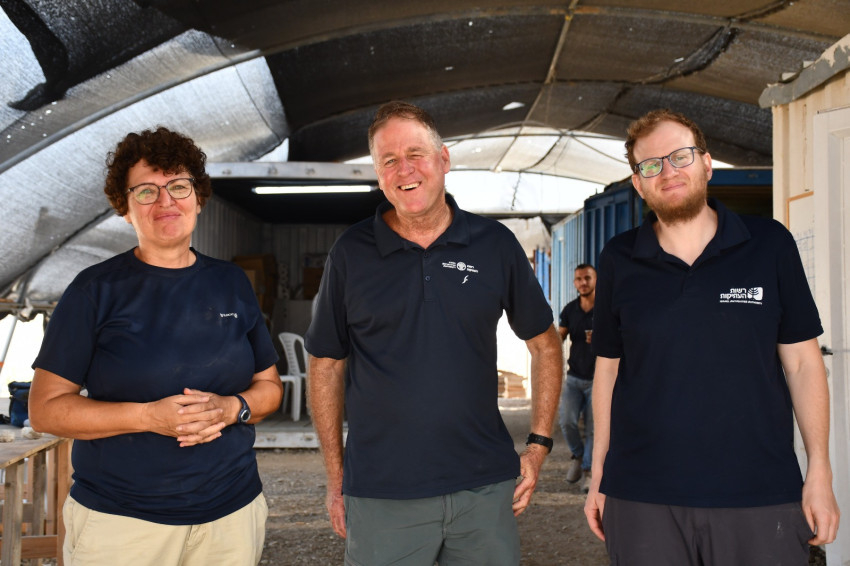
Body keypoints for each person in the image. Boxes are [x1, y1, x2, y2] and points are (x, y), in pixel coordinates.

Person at [306, 101, 562, 566]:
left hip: (483, 487)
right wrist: (336, 477)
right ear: (378, 175)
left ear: (444, 160)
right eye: (389, 160)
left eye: (416, 154)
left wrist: (538, 445)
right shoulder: (351, 253)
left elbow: (545, 345)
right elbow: (325, 364)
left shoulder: (494, 244)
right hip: (382, 493)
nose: (404, 169)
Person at [584, 109, 841, 565]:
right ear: (638, 183)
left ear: (706, 163)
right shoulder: (619, 258)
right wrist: (600, 473)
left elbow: (803, 363)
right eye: (651, 165)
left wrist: (819, 470)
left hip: (759, 493)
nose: (668, 172)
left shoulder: (769, 244)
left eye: (680, 156)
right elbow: (608, 368)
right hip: (642, 495)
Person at [29, 127, 284, 566]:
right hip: (123, 525)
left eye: (179, 186)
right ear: (125, 208)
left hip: (231, 516)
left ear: (198, 198)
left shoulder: (231, 283)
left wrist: (231, 408)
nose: (166, 201)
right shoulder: (95, 290)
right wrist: (148, 417)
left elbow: (269, 388)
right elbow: (46, 410)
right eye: (146, 191)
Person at [557, 263, 596, 493]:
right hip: (574, 377)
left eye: (587, 278)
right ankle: (578, 456)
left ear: (595, 280)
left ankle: (589, 472)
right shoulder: (570, 310)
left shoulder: (606, 309)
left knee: (592, 429)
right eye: (579, 279)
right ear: (574, 283)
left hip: (597, 379)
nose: (583, 282)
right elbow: (559, 338)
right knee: (567, 421)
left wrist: (602, 338)